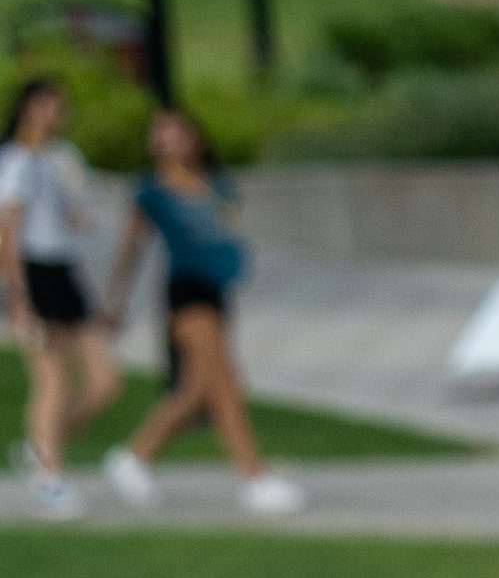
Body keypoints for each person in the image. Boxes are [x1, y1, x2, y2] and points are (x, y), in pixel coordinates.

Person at [106, 98, 300, 513]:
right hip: (186, 293)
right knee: (225, 383)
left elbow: (230, 237)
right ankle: (253, 478)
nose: (169, 142)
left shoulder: (217, 184)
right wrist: (115, 301)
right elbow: (131, 249)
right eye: (161, 134)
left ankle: (133, 458)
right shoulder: (151, 192)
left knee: (196, 390)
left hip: (216, 294)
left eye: (177, 133)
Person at [8, 76, 111, 512]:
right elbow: (6, 233)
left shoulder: (63, 158)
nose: (57, 112)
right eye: (49, 104)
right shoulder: (15, 161)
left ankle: (40, 450)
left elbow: (74, 224)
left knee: (104, 381)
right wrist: (16, 294)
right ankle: (49, 477)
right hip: (33, 274)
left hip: (65, 271)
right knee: (52, 379)